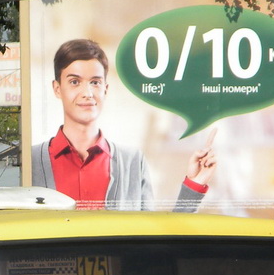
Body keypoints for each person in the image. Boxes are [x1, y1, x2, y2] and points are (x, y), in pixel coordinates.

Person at [31, 38, 217, 211]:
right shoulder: (30, 162)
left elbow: (156, 242)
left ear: (106, 89)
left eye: (95, 82)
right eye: (74, 82)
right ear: (57, 89)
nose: (87, 92)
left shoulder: (133, 162)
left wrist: (193, 185)